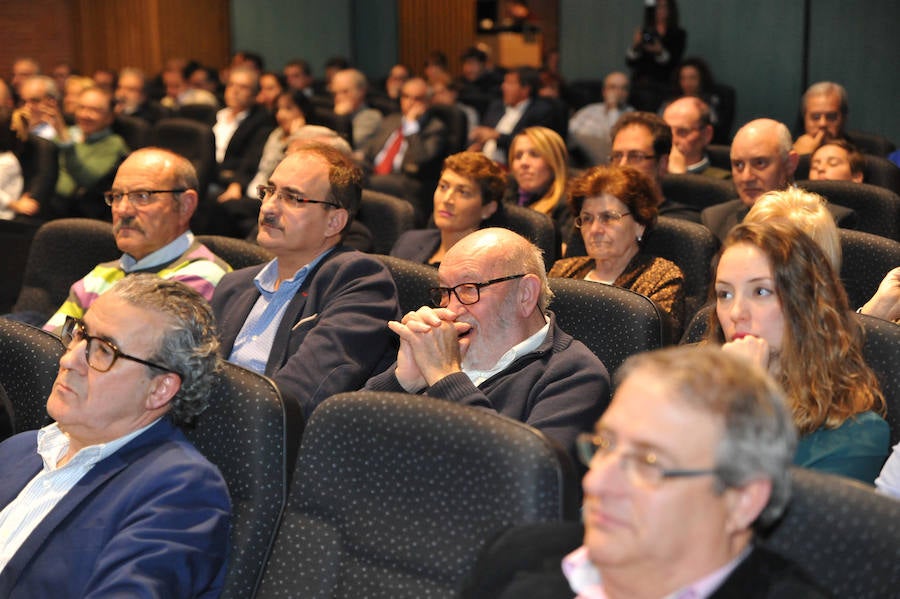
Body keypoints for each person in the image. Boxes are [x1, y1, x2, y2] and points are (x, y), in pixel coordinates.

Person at [462, 344, 830, 599]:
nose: (595, 481)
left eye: (647, 463)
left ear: (742, 500)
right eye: (605, 446)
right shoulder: (515, 557)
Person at [0, 275, 230, 597]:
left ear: (159, 389)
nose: (68, 359)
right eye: (79, 335)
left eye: (104, 351)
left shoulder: (181, 490)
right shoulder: (18, 449)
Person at [367, 227, 611, 455]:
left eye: (468, 288)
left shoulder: (575, 375)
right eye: (444, 292)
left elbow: (527, 479)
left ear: (525, 294)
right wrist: (401, 381)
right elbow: (341, 439)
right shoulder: (443, 349)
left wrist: (445, 379)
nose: (451, 309)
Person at [211, 143, 400, 418]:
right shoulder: (233, 285)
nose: (269, 208)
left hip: (272, 446)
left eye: (293, 198)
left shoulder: (360, 283)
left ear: (334, 222)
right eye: (269, 191)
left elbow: (296, 398)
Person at [708, 220, 888, 483]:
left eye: (760, 291)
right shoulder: (689, 391)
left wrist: (749, 402)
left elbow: (755, 512)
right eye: (724, 294)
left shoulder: (857, 435)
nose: (735, 313)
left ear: (806, 305)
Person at [41, 148, 231, 331]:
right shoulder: (102, 274)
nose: (122, 210)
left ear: (185, 205)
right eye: (116, 196)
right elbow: (49, 349)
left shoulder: (203, 277)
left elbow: (123, 358)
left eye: (142, 196)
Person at [549, 165, 685, 335]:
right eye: (587, 218)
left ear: (639, 224)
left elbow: (652, 344)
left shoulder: (661, 277)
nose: (595, 230)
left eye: (608, 217)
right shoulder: (562, 271)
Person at [701, 118, 855, 242]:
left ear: (790, 163)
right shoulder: (715, 220)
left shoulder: (830, 222)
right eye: (738, 165)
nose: (746, 177)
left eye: (760, 163)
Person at [212, 88, 312, 238]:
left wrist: (296, 136)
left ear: (303, 111)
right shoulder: (271, 133)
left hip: (273, 196)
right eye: (278, 109)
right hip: (252, 188)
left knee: (227, 208)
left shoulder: (308, 138)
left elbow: (293, 171)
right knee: (214, 203)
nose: (281, 115)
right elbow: (250, 162)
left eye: (288, 109)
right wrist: (236, 185)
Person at [361, 77, 449, 225]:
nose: (410, 102)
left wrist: (412, 127)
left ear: (428, 101)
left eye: (417, 98)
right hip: (375, 174)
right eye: (406, 96)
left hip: (406, 181)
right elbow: (369, 151)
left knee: (368, 183)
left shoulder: (435, 127)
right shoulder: (391, 120)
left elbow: (421, 159)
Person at [391, 151, 503, 265]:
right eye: (443, 187)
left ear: (488, 208)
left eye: (463, 192)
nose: (447, 199)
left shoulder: (486, 268)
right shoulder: (408, 242)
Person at [50, 85, 130, 218]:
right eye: (81, 107)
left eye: (95, 110)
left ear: (109, 117)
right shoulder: (68, 132)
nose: (84, 115)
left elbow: (88, 180)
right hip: (47, 203)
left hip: (77, 213)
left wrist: (66, 143)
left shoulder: (114, 144)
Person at [610, 111, 699, 222]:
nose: (622, 165)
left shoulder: (681, 223)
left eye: (636, 156)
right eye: (617, 156)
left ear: (662, 164)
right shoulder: (597, 216)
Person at [470, 66, 561, 165]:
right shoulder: (496, 107)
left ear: (525, 89)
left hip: (513, 166)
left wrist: (497, 136)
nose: (503, 86)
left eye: (510, 83)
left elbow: (531, 144)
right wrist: (479, 144)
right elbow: (485, 134)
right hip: (485, 163)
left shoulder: (541, 111)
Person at [212, 66, 275, 199]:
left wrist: (237, 185)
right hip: (207, 174)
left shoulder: (262, 120)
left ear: (255, 94)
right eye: (231, 85)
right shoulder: (216, 115)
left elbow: (252, 157)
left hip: (227, 181)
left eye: (243, 87)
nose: (234, 91)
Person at [507, 126, 573, 245]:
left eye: (534, 154)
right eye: (518, 156)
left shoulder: (570, 204)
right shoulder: (504, 197)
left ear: (554, 162)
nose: (524, 162)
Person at [625, 0, 686, 111]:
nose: (660, 11)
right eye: (657, 7)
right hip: (640, 84)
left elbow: (674, 63)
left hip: (664, 85)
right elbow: (630, 62)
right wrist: (636, 46)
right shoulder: (644, 31)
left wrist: (660, 51)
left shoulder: (677, 34)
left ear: (670, 10)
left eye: (664, 7)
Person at [568, 71, 633, 167]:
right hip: (586, 164)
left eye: (623, 88)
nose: (618, 92)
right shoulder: (588, 111)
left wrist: (613, 109)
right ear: (604, 91)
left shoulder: (632, 115)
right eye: (613, 87)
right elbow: (569, 136)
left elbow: (611, 141)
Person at [662, 96, 730, 178]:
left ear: (706, 134)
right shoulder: (650, 172)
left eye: (683, 131)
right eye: (666, 131)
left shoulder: (722, 180)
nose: (672, 139)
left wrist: (679, 176)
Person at [330, 68, 382, 149]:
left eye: (344, 91)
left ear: (361, 91)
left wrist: (341, 118)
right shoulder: (332, 112)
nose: (338, 97)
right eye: (335, 93)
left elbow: (350, 148)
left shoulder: (371, 116)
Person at [793, 81, 848, 155]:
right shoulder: (785, 155)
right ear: (804, 118)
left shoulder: (860, 155)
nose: (823, 123)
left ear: (844, 118)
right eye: (816, 117)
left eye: (831, 117)